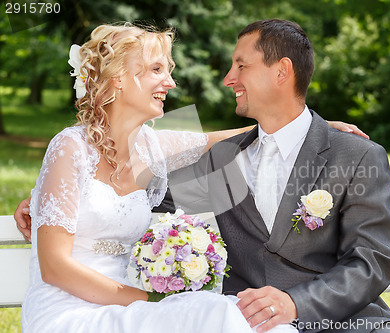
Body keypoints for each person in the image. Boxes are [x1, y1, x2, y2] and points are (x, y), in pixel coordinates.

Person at [13, 22, 362, 333]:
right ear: (117, 77)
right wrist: (149, 301)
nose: (170, 82)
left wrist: (311, 127)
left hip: (132, 302)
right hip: (73, 311)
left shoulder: (150, 146)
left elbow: (219, 138)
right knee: (216, 315)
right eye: (156, 70)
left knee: (244, 319)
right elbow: (55, 268)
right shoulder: (70, 147)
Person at [154, 20, 390, 333]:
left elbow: (372, 261)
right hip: (246, 322)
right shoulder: (223, 161)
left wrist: (296, 304)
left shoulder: (355, 156)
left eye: (241, 65)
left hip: (345, 322)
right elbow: (152, 198)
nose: (228, 79)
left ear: (281, 71)